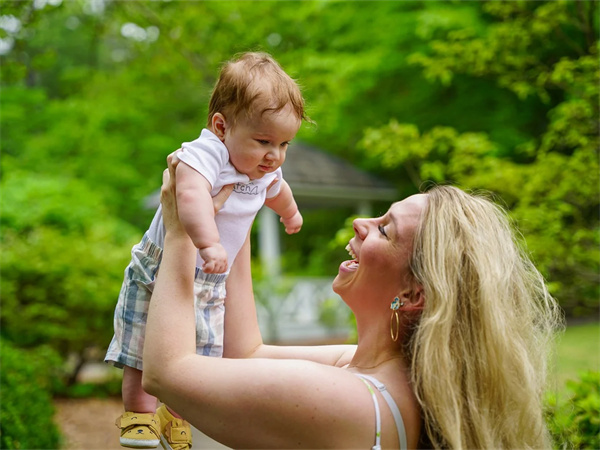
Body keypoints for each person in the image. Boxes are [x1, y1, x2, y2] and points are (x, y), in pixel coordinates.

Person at [141, 153, 562, 449]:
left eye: (385, 230)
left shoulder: (351, 399)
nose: (362, 223)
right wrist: (241, 205)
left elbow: (166, 373)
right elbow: (244, 352)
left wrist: (181, 232)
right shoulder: (376, 371)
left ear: (414, 293)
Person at [105, 52, 308, 449]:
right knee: (142, 347)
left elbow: (277, 191)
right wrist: (208, 241)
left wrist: (291, 213)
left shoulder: (263, 168)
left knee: (200, 355)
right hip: (162, 266)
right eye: (264, 141)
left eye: (284, 144)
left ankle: (175, 416)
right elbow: (189, 194)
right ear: (221, 126)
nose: (275, 155)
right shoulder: (206, 153)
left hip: (210, 278)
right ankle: (140, 416)